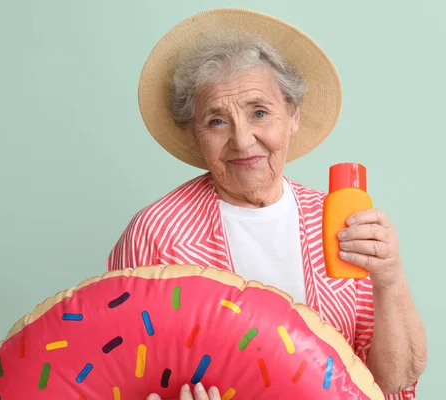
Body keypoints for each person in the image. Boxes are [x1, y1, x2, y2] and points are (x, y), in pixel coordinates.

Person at [108, 8, 427, 400]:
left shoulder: (339, 223)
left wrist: (390, 278)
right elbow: (122, 373)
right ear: (194, 134)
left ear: (292, 115)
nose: (242, 141)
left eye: (259, 112)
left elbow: (393, 383)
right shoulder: (157, 235)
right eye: (217, 121)